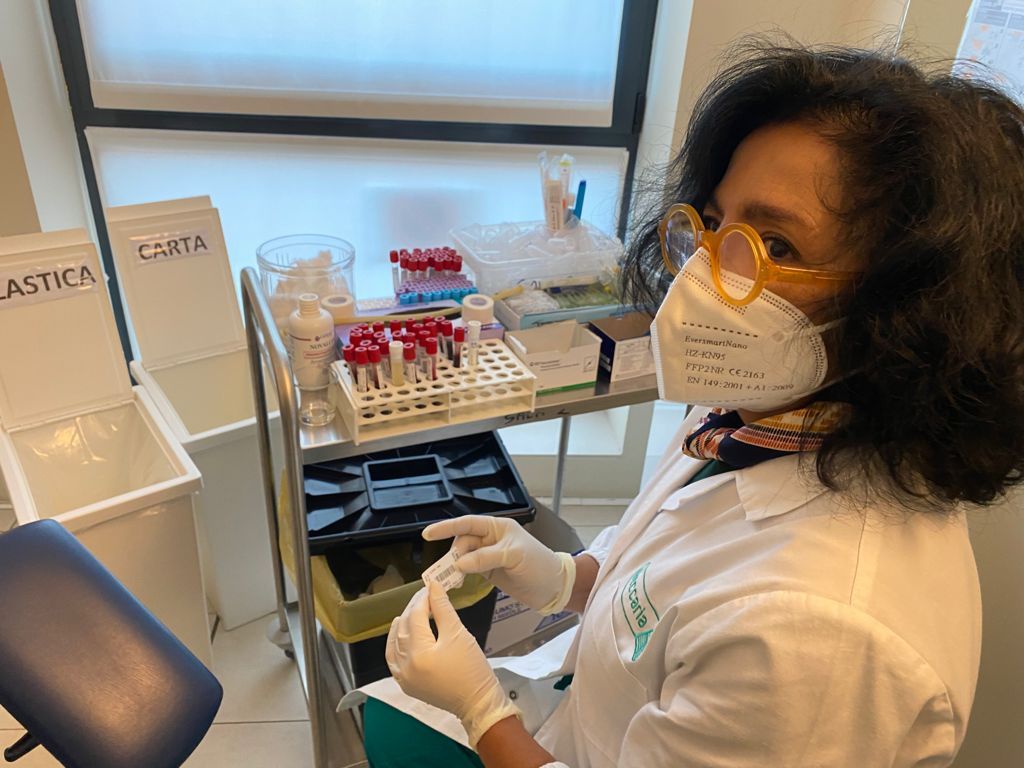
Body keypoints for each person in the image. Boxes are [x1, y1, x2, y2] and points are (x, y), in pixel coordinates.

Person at [369, 42, 1024, 767]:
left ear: (912, 306)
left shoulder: (820, 636)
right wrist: (561, 578)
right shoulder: (759, 413)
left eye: (776, 243)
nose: (704, 276)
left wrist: (483, 713)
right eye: (713, 224)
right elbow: (662, 581)